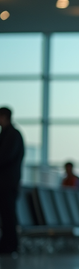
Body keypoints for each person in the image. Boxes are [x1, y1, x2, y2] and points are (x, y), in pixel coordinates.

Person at [0, 107, 25, 256]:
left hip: (7, 183)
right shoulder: (11, 134)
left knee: (8, 214)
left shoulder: (11, 135)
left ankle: (10, 245)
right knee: (7, 214)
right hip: (9, 182)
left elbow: (4, 157)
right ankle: (8, 244)